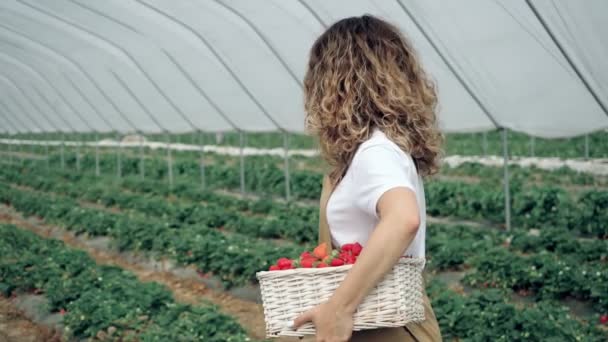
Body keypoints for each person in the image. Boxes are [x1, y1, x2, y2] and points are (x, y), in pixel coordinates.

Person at [292, 15, 443, 341]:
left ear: (336, 83)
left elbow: (403, 218)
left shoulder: (375, 151)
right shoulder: (382, 147)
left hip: (386, 331)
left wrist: (340, 307)